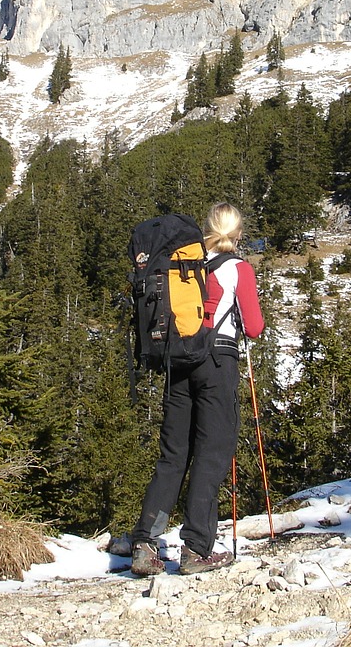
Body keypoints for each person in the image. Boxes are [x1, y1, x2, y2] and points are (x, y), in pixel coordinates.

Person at [130, 202, 266, 575]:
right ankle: (197, 549)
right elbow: (253, 327)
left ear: (206, 228)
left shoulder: (183, 261)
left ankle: (145, 542)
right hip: (217, 363)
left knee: (173, 454)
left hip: (179, 362)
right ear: (238, 233)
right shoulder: (238, 268)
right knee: (213, 453)